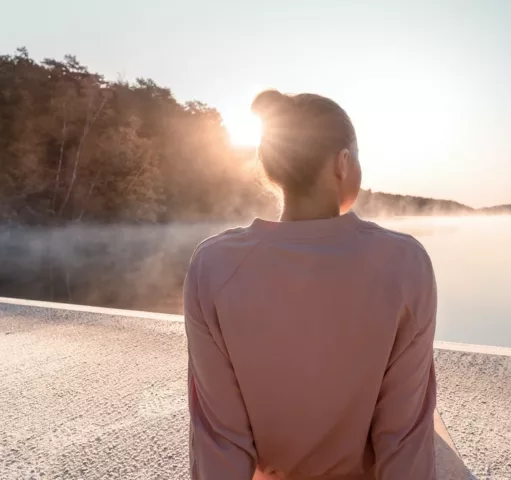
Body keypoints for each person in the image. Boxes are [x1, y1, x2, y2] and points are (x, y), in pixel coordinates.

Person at [183, 90, 438, 480]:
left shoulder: (213, 265)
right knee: (429, 417)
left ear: (272, 169)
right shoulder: (405, 262)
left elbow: (219, 438)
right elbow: (402, 438)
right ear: (343, 163)